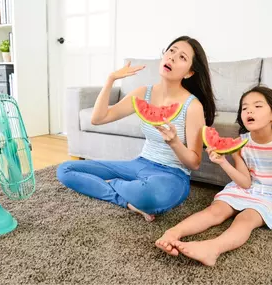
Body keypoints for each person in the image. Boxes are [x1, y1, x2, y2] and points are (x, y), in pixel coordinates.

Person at [57, 36, 216, 222]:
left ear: (189, 73)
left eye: (182, 57)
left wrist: (174, 142)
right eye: (171, 51)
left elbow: (194, 163)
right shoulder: (143, 93)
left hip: (172, 175)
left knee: (151, 197)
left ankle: (114, 186)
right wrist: (111, 79)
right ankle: (126, 198)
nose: (172, 58)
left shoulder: (192, 106)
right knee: (65, 170)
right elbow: (99, 118)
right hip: (138, 164)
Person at [155, 86, 272, 266]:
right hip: (246, 187)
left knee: (246, 218)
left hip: (269, 195)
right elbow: (245, 182)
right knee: (215, 210)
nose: (249, 110)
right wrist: (223, 162)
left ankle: (212, 249)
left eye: (258, 106)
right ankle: (173, 233)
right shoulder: (240, 143)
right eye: (244, 107)